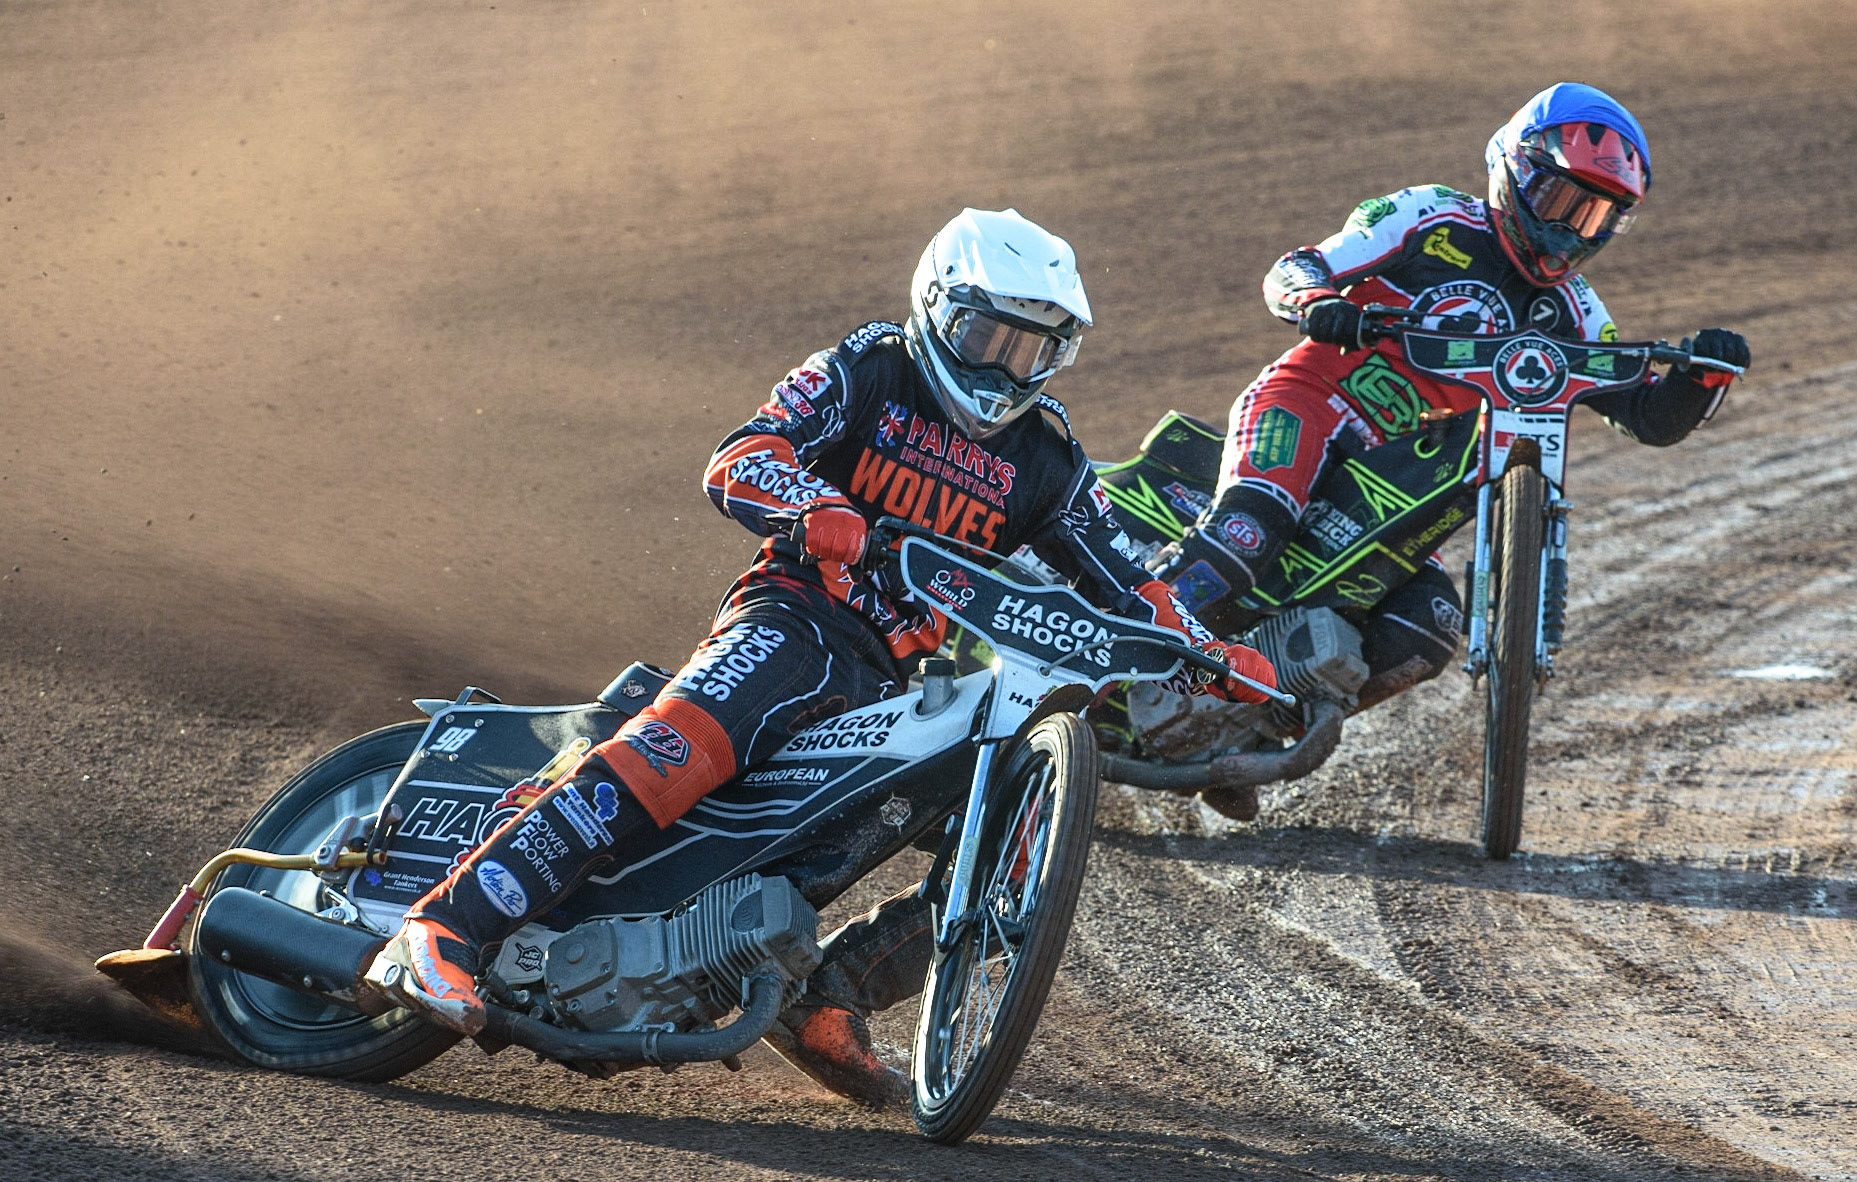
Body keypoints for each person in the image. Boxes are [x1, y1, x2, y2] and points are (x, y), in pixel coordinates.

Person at [362, 207, 1278, 1107]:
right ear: (936, 308)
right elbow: (740, 455)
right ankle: (444, 923)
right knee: (677, 748)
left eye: (1032, 350)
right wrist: (812, 504)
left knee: (997, 827)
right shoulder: (870, 365)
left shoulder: (1047, 454)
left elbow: (1124, 576)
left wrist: (1204, 649)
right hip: (793, 616)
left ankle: (828, 993)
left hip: (888, 676)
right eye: (987, 337)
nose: (1005, 368)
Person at [1154, 82, 1751, 715]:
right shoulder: (1432, 216)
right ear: (1514, 173)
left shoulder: (1574, 311)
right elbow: (1298, 267)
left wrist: (1702, 376)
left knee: (1429, 627)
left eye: (1592, 216)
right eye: (1558, 201)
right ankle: (1107, 652)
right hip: (1309, 406)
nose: (1566, 230)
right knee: (1245, 538)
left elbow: (1647, 416)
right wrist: (1320, 302)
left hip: (1408, 479)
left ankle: (1247, 724)